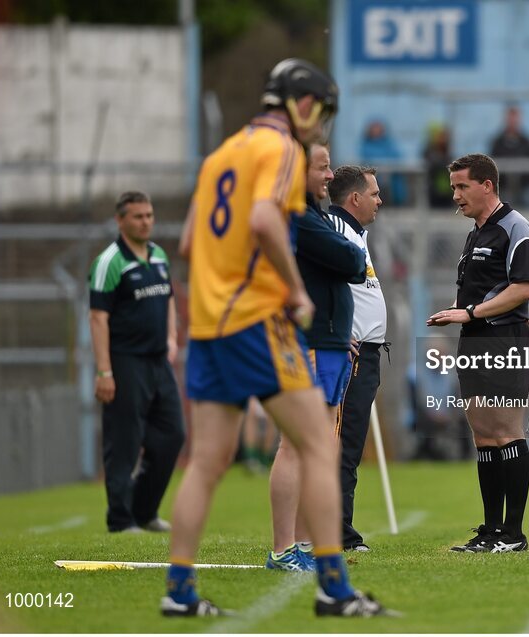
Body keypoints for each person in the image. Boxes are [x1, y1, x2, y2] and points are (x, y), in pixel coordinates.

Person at [169, 58, 389, 618]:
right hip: (258, 321)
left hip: (209, 325)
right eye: (322, 114)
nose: (320, 128)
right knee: (318, 445)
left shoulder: (220, 154)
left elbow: (191, 242)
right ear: (303, 104)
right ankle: (334, 590)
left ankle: (179, 591)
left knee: (207, 461)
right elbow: (268, 223)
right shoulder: (283, 151)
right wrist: (292, 291)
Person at [426, 153, 529, 554]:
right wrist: (460, 315)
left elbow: (523, 288)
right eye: (453, 187)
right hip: (472, 340)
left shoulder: (515, 226)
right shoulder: (476, 232)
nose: (456, 195)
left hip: (504, 340)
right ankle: (490, 530)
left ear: (487, 185)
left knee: (507, 430)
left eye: (462, 186)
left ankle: (514, 533)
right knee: (484, 435)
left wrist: (470, 312)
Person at [265, 143, 366, 572]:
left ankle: (305, 546)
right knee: (295, 445)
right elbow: (352, 258)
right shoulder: (296, 217)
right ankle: (283, 549)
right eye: (321, 167)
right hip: (306, 344)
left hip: (328, 344)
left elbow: (349, 264)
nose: (329, 175)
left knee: (319, 447)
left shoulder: (316, 216)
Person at [88, 190, 185, 534]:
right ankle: (120, 518)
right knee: (124, 441)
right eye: (138, 216)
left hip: (159, 363)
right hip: (124, 362)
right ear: (120, 220)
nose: (146, 222)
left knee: (173, 434)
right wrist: (104, 371)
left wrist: (172, 338)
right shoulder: (109, 262)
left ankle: (144, 511)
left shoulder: (158, 256)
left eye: (149, 215)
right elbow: (98, 318)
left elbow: (169, 298)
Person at [326, 165, 388, 552]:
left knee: (348, 446)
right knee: (342, 446)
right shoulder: (335, 231)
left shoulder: (354, 235)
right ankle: (338, 534)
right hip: (349, 355)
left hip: (366, 354)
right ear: (355, 198)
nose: (380, 200)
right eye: (375, 193)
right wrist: (336, 327)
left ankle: (336, 530)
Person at [489, 105, 529, 208]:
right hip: (504, 185)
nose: (513, 121)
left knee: (528, 196)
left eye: (515, 118)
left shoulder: (527, 142)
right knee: (503, 200)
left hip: (524, 184)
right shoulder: (497, 142)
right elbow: (491, 165)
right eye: (510, 118)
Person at [360, 119, 407, 206]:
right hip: (375, 179)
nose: (376, 131)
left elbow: (396, 157)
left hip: (390, 181)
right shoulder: (366, 145)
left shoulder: (389, 143)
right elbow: (366, 160)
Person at [423, 123, 454, 208]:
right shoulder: (429, 152)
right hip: (434, 191)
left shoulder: (448, 153)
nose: (442, 139)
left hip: (447, 192)